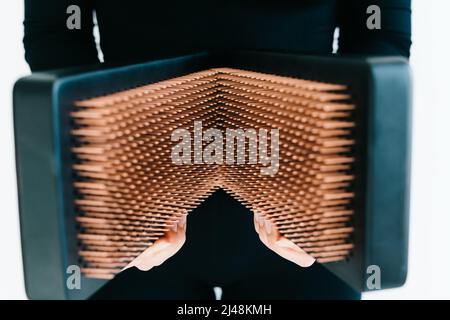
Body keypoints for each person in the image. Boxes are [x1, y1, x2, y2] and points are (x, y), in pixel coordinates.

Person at [23, 0, 412, 299]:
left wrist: (324, 198)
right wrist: (115, 194)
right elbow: (55, 29)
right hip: (138, 203)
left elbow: (378, 29)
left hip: (298, 208)